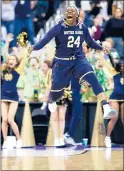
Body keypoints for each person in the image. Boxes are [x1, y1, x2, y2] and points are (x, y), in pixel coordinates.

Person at [30, 6, 116, 127]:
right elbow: (44, 40)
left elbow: (90, 42)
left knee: (93, 78)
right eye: (68, 11)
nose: (69, 12)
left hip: (79, 60)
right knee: (56, 92)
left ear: (77, 15)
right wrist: (33, 47)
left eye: (72, 11)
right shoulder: (58, 27)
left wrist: (101, 48)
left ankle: (106, 106)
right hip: (62, 63)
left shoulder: (82, 27)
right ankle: (51, 100)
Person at [1, 41, 27, 149]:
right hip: (3, 96)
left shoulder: (18, 70)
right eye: (10, 59)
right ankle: (5, 141)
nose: (11, 60)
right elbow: (5, 53)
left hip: (13, 97)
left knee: (11, 119)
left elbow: (24, 58)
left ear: (16, 62)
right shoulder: (3, 69)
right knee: (4, 119)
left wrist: (22, 48)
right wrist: (7, 43)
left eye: (13, 59)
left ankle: (19, 139)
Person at [41, 60, 71, 147]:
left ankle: (61, 137)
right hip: (52, 96)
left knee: (62, 117)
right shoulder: (50, 72)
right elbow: (48, 87)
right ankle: (56, 138)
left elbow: (68, 85)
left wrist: (67, 93)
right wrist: (45, 101)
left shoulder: (66, 71)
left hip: (63, 95)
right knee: (54, 118)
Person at [99, 52, 124, 148]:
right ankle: (107, 138)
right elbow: (105, 63)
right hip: (114, 97)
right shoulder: (114, 72)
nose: (122, 67)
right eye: (121, 66)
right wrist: (100, 54)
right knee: (114, 117)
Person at [64, 76, 83, 145]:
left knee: (69, 114)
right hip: (74, 92)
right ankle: (69, 135)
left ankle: (66, 135)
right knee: (77, 114)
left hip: (68, 93)